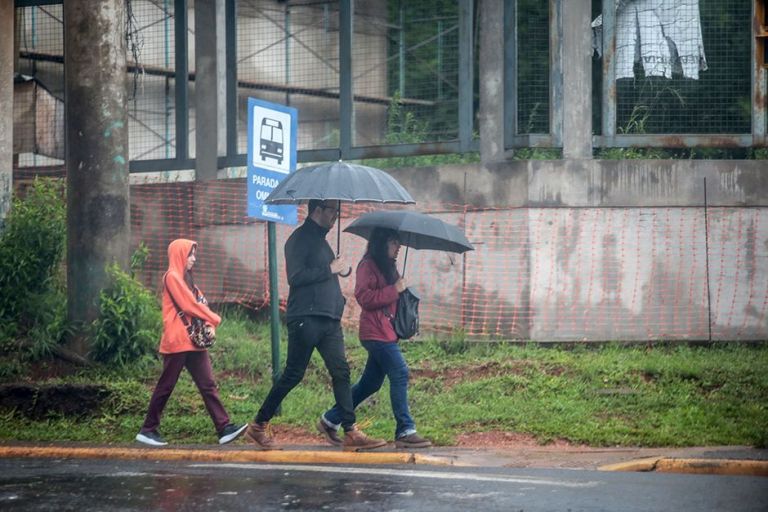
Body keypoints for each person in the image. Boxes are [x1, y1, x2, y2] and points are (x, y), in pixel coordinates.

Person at [245, 199, 387, 451]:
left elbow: (325, 272)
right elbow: (296, 277)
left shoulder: (322, 241)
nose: (336, 216)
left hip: (329, 318)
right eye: (333, 210)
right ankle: (258, 425)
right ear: (318, 210)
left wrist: (339, 269)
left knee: (341, 371)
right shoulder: (298, 240)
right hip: (306, 317)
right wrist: (329, 268)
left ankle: (350, 430)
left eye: (337, 211)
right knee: (293, 374)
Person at [317, 228, 432, 449]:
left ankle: (330, 419)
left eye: (399, 243)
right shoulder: (367, 265)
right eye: (394, 242)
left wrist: (401, 289)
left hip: (387, 332)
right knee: (399, 372)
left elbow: (393, 297)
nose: (398, 247)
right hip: (375, 333)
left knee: (369, 384)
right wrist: (394, 289)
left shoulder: (388, 266)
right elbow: (365, 298)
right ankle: (405, 430)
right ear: (382, 242)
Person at [135, 239, 247, 447]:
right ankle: (148, 430)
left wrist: (209, 323)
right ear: (179, 255)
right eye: (190, 255)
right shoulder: (172, 277)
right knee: (166, 386)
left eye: (194, 254)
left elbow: (200, 301)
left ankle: (224, 428)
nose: (193, 259)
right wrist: (214, 319)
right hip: (178, 340)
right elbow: (189, 305)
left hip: (193, 341)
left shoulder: (187, 280)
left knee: (208, 384)